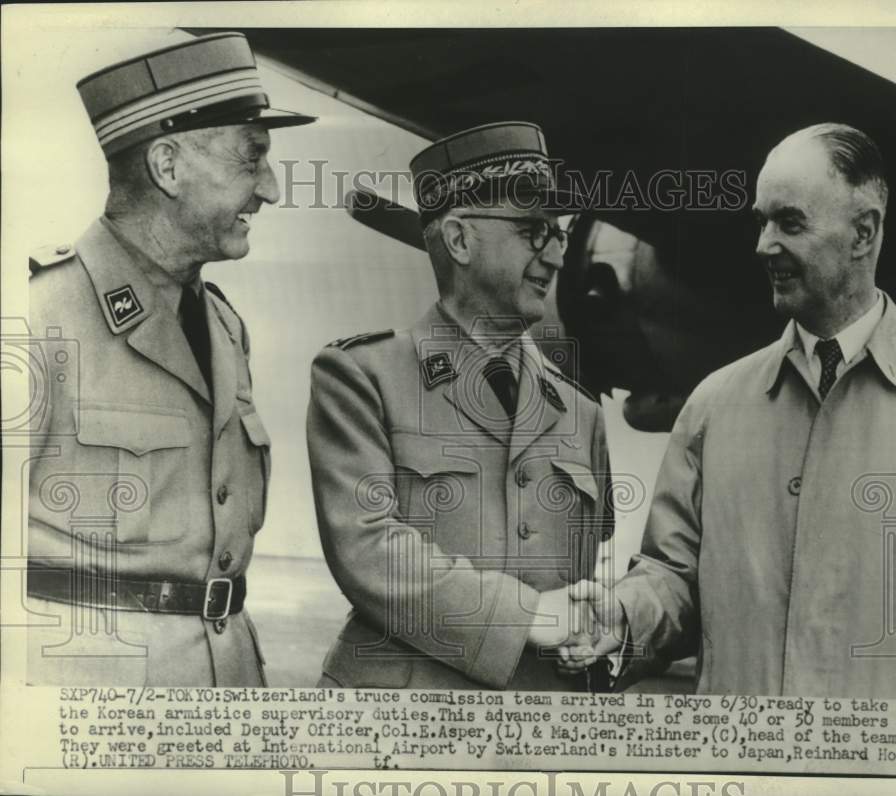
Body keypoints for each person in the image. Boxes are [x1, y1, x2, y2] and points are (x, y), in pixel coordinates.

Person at [561, 123, 896, 698]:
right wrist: (624, 615)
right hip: (747, 769)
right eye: (762, 221)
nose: (763, 245)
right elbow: (673, 577)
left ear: (863, 233)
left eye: (790, 222)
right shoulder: (711, 405)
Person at [26, 32, 316, 685]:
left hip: (232, 689)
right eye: (252, 157)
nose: (270, 188)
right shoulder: (36, 320)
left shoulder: (224, 327)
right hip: (93, 709)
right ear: (167, 165)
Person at [307, 122, 614, 690]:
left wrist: (588, 629)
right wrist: (528, 618)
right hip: (400, 729)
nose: (554, 254)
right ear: (459, 240)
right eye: (531, 230)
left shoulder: (582, 411)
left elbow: (582, 573)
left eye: (559, 233)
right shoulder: (360, 376)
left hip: (540, 735)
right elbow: (367, 549)